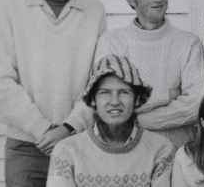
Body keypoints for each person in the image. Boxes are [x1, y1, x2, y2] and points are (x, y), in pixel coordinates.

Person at [0, 0, 106, 186]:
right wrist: (43, 129)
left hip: (77, 141)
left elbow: (99, 81)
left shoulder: (93, 11)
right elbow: (0, 81)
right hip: (26, 145)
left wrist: (68, 128)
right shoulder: (12, 6)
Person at [95, 0, 204, 148]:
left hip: (177, 153)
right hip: (127, 151)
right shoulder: (112, 43)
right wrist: (167, 101)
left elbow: (196, 104)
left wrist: (135, 119)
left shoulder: (188, 44)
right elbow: (109, 104)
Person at [47, 55, 174, 187]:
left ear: (136, 99)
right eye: (105, 92)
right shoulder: (67, 151)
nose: (114, 101)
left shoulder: (160, 148)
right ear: (93, 100)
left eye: (124, 92)